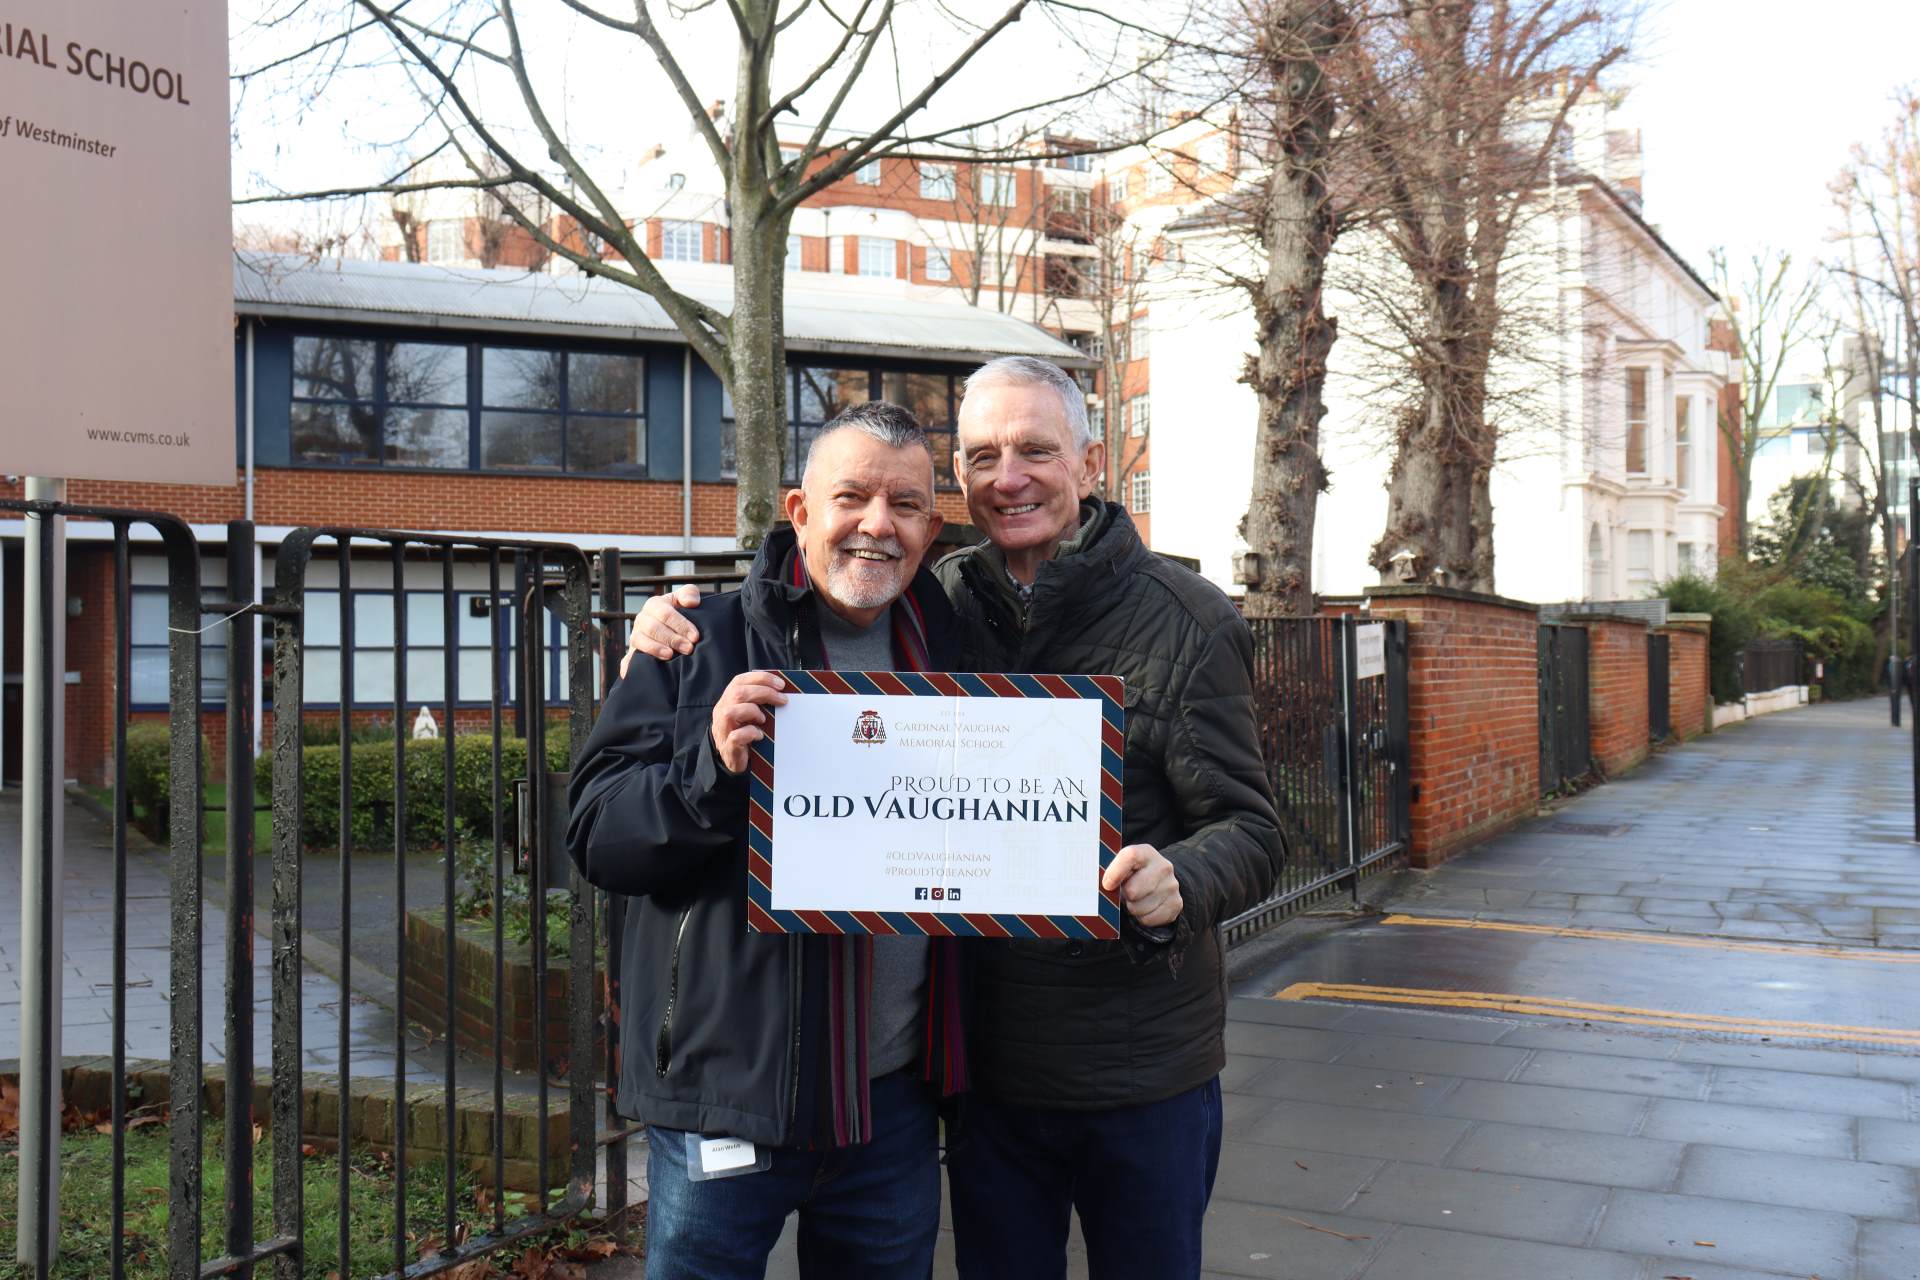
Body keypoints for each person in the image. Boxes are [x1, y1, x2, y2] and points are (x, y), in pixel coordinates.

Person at [624, 356, 1284, 1279]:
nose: (1009, 478)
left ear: (1091, 464)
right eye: (982, 456)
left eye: (1036, 451)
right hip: (989, 1075)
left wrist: (1184, 880)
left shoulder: (1188, 619)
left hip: (1137, 1066)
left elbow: (1254, 828)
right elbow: (810, 590)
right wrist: (668, 625)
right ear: (960, 488)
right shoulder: (942, 603)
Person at [567, 401, 970, 1279]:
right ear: (799, 510)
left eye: (905, 504)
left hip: (892, 1104)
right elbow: (599, 837)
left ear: (932, 529)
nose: (878, 524)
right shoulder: (696, 639)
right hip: (725, 1098)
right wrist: (709, 772)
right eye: (852, 497)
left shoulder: (958, 659)